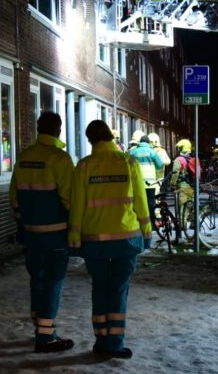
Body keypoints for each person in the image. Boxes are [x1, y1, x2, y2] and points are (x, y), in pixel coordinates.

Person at [68, 120, 152, 359]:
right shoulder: (128, 162)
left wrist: (74, 236)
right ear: (110, 137)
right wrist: (146, 232)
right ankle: (115, 343)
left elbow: (77, 205)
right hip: (126, 239)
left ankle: (101, 339)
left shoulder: (84, 166)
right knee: (118, 289)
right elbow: (140, 201)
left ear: (91, 140)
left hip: (94, 240)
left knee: (99, 287)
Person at [9, 112, 74, 353]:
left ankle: (38, 323)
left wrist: (21, 222)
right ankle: (46, 336)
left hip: (30, 232)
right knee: (53, 281)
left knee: (36, 278)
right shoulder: (60, 158)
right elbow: (69, 198)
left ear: (38, 129)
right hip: (56, 234)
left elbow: (14, 194)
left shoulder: (24, 156)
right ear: (58, 130)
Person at [129, 135, 163, 227]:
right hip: (150, 183)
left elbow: (128, 165)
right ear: (148, 143)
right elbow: (160, 165)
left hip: (137, 183)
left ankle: (140, 224)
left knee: (139, 203)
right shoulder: (152, 152)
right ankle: (151, 224)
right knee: (151, 203)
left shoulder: (133, 152)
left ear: (140, 142)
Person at [171, 138, 199, 206]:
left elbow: (175, 174)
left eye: (179, 147)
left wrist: (172, 185)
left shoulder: (179, 160)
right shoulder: (192, 159)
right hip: (192, 185)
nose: (178, 149)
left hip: (182, 186)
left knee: (183, 208)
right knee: (191, 207)